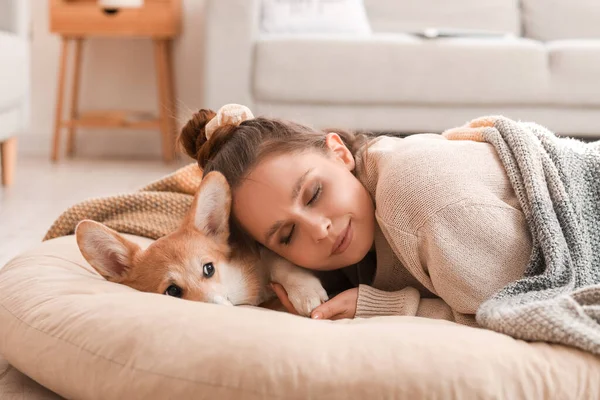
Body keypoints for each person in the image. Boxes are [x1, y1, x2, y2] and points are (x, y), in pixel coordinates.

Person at [178, 104, 532, 326]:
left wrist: (386, 307)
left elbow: (519, 309)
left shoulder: (419, 195)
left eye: (314, 193)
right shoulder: (337, 244)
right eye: (287, 235)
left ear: (339, 152)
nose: (319, 230)